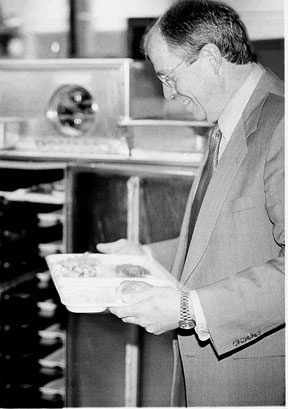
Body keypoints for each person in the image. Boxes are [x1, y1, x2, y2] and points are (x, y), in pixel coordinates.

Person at [97, 0, 285, 406]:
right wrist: (143, 257)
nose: (168, 94)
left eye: (169, 76)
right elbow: (225, 241)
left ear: (212, 58)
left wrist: (190, 310)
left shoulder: (281, 125)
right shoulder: (227, 123)